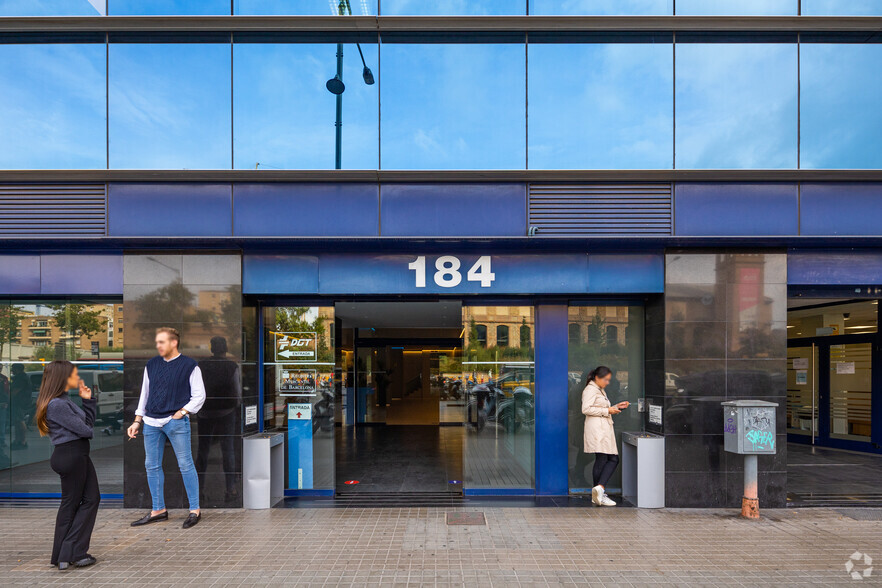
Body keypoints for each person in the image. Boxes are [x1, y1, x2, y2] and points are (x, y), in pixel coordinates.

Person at [127, 327, 205, 529]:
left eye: (161, 342)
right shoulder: (151, 364)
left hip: (175, 421)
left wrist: (182, 412)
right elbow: (145, 394)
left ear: (174, 343)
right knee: (151, 465)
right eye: (157, 342)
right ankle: (158, 510)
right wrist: (137, 420)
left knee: (185, 464)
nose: (158, 345)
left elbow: (199, 395)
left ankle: (194, 509)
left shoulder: (189, 365)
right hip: (151, 422)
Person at [35, 361, 100, 570]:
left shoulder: (63, 401)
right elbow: (87, 431)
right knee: (74, 504)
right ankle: (70, 552)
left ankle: (64, 554)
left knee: (89, 499)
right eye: (74, 374)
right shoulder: (57, 404)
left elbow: (87, 427)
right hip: (71, 455)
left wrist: (87, 402)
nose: (77, 377)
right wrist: (86, 407)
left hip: (77, 454)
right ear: (63, 377)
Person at [195, 336, 241, 504]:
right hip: (226, 412)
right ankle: (230, 489)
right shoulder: (231, 366)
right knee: (228, 450)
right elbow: (237, 391)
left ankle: (198, 489)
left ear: (212, 348)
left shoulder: (201, 366)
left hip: (205, 413)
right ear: (225, 348)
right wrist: (237, 406)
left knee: (203, 452)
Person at [581, 365, 629, 507]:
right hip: (598, 429)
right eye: (606, 380)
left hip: (601, 427)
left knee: (602, 459)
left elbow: (599, 407)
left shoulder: (598, 390)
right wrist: (607, 410)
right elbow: (586, 409)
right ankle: (600, 489)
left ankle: (598, 494)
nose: (608, 382)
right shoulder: (590, 389)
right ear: (597, 377)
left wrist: (616, 406)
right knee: (611, 459)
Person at [10, 363, 32, 450]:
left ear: (18, 369)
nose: (12, 370)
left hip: (20, 403)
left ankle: (22, 441)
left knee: (20, 421)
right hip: (20, 402)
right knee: (17, 421)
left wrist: (9, 397)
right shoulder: (22, 377)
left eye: (13, 368)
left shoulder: (21, 378)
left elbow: (15, 391)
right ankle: (18, 440)